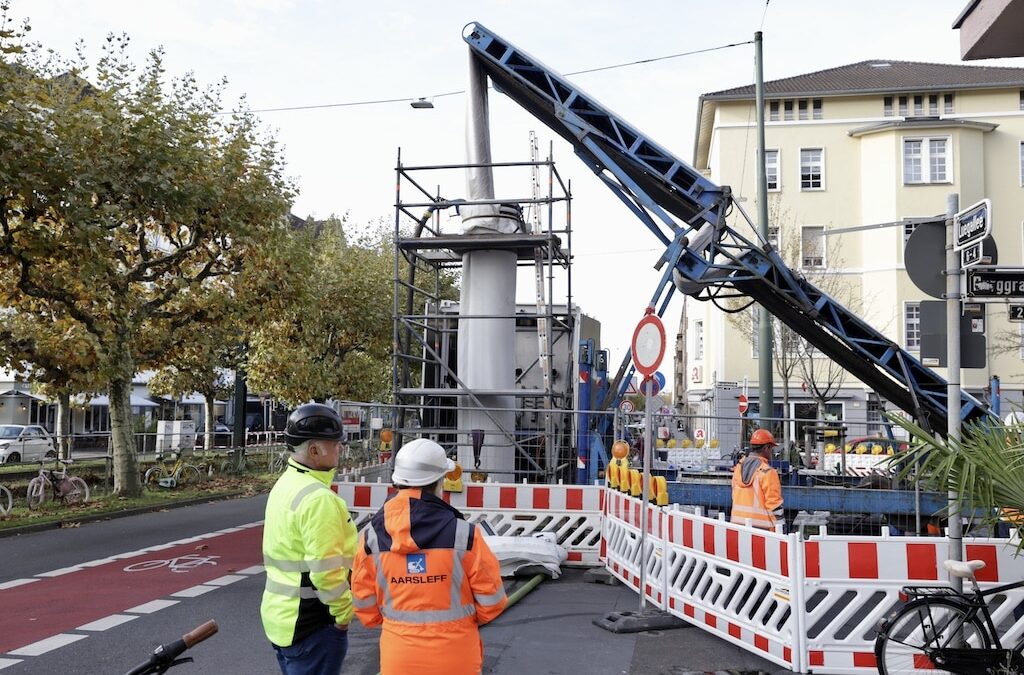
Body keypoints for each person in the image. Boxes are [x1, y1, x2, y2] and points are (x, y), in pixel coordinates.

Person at [352, 438, 507, 675]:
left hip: (399, 657)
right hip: (457, 657)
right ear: (439, 482)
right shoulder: (464, 535)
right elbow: (492, 602)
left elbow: (364, 605)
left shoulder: (371, 538)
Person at [260, 403, 357, 675]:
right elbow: (326, 572)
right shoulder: (318, 499)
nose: (340, 449)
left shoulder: (286, 483)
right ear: (314, 451)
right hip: (313, 623)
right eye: (335, 443)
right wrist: (344, 614)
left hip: (282, 619)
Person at [731, 428, 784, 530]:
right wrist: (780, 528)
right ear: (766, 448)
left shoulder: (739, 467)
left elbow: (734, 494)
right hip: (762, 529)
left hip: (737, 525)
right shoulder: (768, 472)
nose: (772, 452)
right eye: (771, 449)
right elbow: (774, 505)